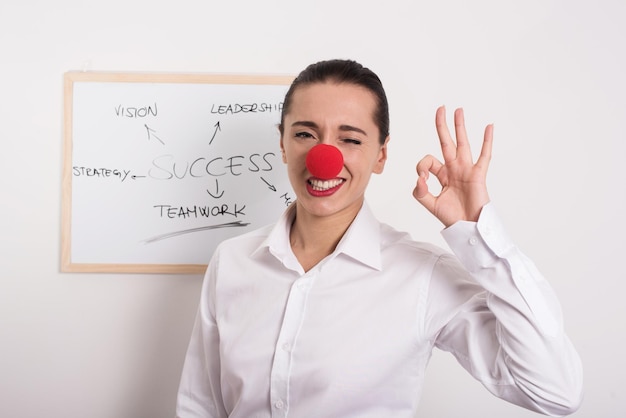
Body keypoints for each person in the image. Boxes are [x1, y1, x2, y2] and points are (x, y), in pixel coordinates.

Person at [176, 59, 583, 417]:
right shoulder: (231, 260)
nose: (324, 156)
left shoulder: (422, 275)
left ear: (381, 155)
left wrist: (478, 231)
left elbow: (555, 392)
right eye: (304, 134)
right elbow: (201, 405)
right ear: (282, 143)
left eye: (350, 139)